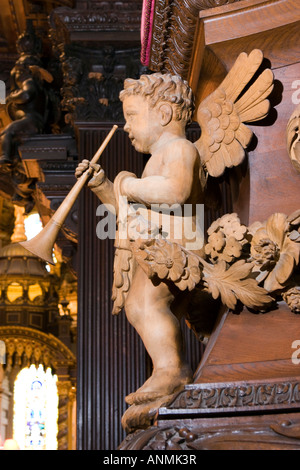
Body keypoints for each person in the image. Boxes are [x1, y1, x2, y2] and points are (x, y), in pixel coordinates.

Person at [75, 73, 206, 405]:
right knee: (138, 305)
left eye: (132, 116)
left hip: (179, 246)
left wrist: (126, 186)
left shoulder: (179, 148)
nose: (127, 126)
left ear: (163, 114)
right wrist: (104, 186)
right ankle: (166, 368)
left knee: (147, 303)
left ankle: (171, 370)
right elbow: (127, 211)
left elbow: (175, 191)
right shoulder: (153, 163)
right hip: (158, 247)